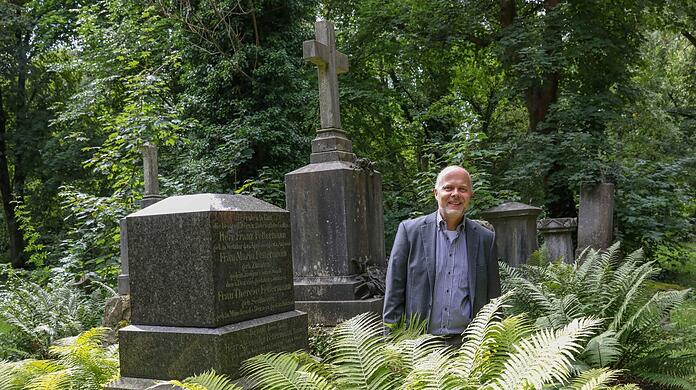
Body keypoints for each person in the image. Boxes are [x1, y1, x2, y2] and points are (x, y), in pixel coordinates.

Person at [383, 166, 500, 341]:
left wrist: (493, 345)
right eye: (448, 188)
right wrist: (392, 345)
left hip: (468, 347)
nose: (455, 194)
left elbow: (494, 300)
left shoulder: (486, 239)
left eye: (462, 189)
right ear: (436, 193)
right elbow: (394, 293)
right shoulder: (410, 232)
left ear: (470, 196)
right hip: (419, 345)